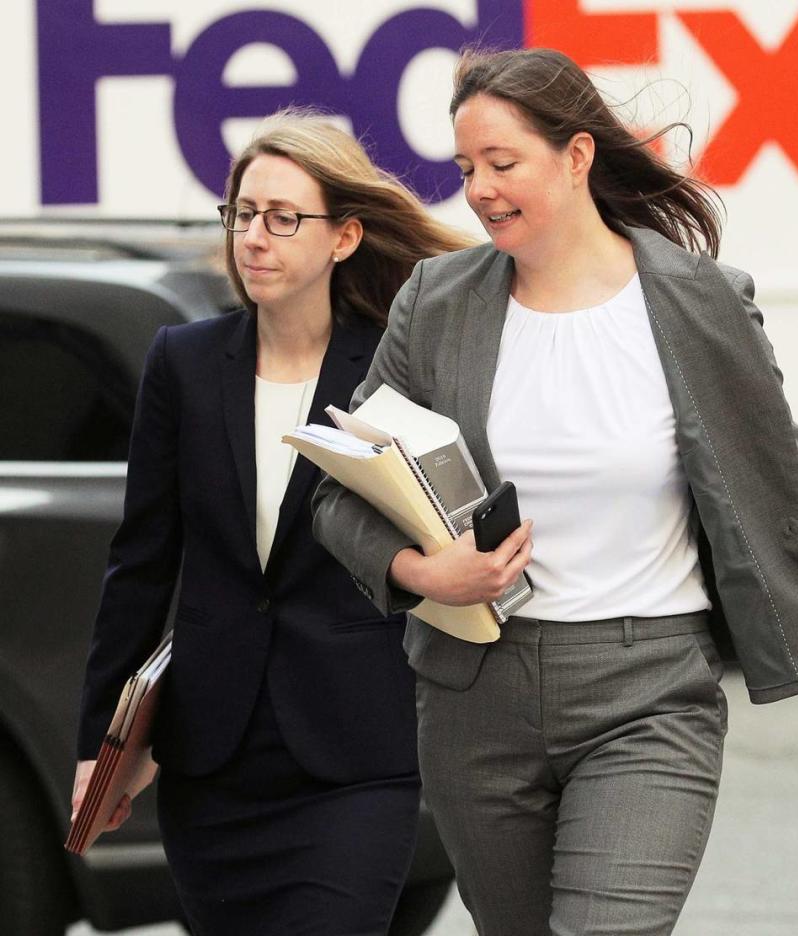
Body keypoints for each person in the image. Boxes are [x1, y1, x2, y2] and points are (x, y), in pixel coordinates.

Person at [312, 48, 798, 936]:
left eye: (503, 163)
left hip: (649, 694)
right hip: (475, 699)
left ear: (578, 156)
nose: (478, 190)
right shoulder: (438, 302)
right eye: (466, 168)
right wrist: (419, 571)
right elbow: (340, 491)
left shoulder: (699, 304)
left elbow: (796, 501)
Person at [72, 109, 472, 936]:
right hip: (214, 764)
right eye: (242, 214)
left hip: (355, 757)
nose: (254, 236)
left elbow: (436, 528)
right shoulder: (183, 364)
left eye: (283, 217)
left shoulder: (391, 370)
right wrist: (99, 748)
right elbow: (141, 564)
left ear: (346, 237)